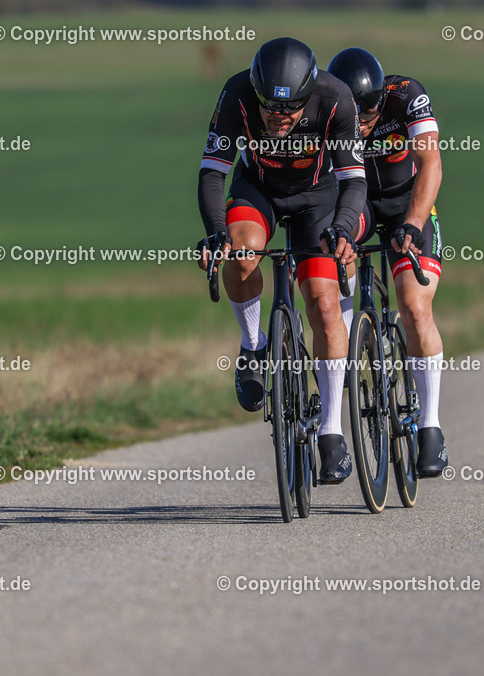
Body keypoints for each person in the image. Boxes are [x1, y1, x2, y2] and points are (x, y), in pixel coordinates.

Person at [196, 37, 366, 484]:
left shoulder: (336, 98)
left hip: (318, 198)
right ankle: (253, 345)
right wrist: (216, 233)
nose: (279, 116)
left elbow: (353, 181)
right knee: (242, 251)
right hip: (259, 189)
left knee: (325, 306)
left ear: (310, 93)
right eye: (270, 106)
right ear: (255, 91)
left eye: (290, 110)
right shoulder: (236, 93)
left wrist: (344, 230)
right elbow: (213, 172)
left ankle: (331, 431)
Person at [326, 47, 447, 478]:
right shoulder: (326, 102)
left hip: (405, 204)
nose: (361, 126)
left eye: (369, 116)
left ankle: (430, 426)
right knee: (334, 250)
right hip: (357, 202)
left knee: (414, 306)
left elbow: (429, 161)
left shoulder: (406, 94)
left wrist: (414, 223)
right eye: (353, 118)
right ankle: (341, 348)